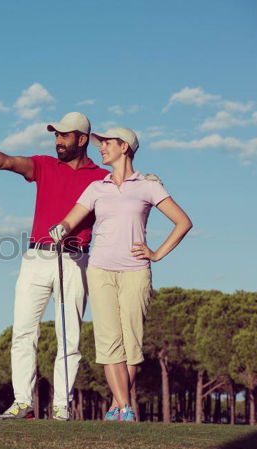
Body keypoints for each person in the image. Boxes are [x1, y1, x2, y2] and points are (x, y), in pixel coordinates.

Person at [0, 112, 109, 420]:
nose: (58, 140)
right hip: (36, 258)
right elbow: (5, 161)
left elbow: (128, 188)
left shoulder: (101, 177)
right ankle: (23, 403)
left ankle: (62, 406)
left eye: (64, 135)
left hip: (75, 259)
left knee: (68, 336)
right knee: (22, 332)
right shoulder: (44, 166)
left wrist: (147, 180)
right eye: (55, 135)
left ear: (82, 139)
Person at [49, 127, 192, 422]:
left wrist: (156, 253)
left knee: (132, 343)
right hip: (100, 269)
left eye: (107, 144)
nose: (101, 148)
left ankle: (118, 404)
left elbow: (183, 222)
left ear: (124, 147)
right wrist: (60, 230)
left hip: (136, 272)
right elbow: (72, 219)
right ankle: (125, 408)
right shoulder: (96, 188)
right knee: (108, 340)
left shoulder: (149, 186)